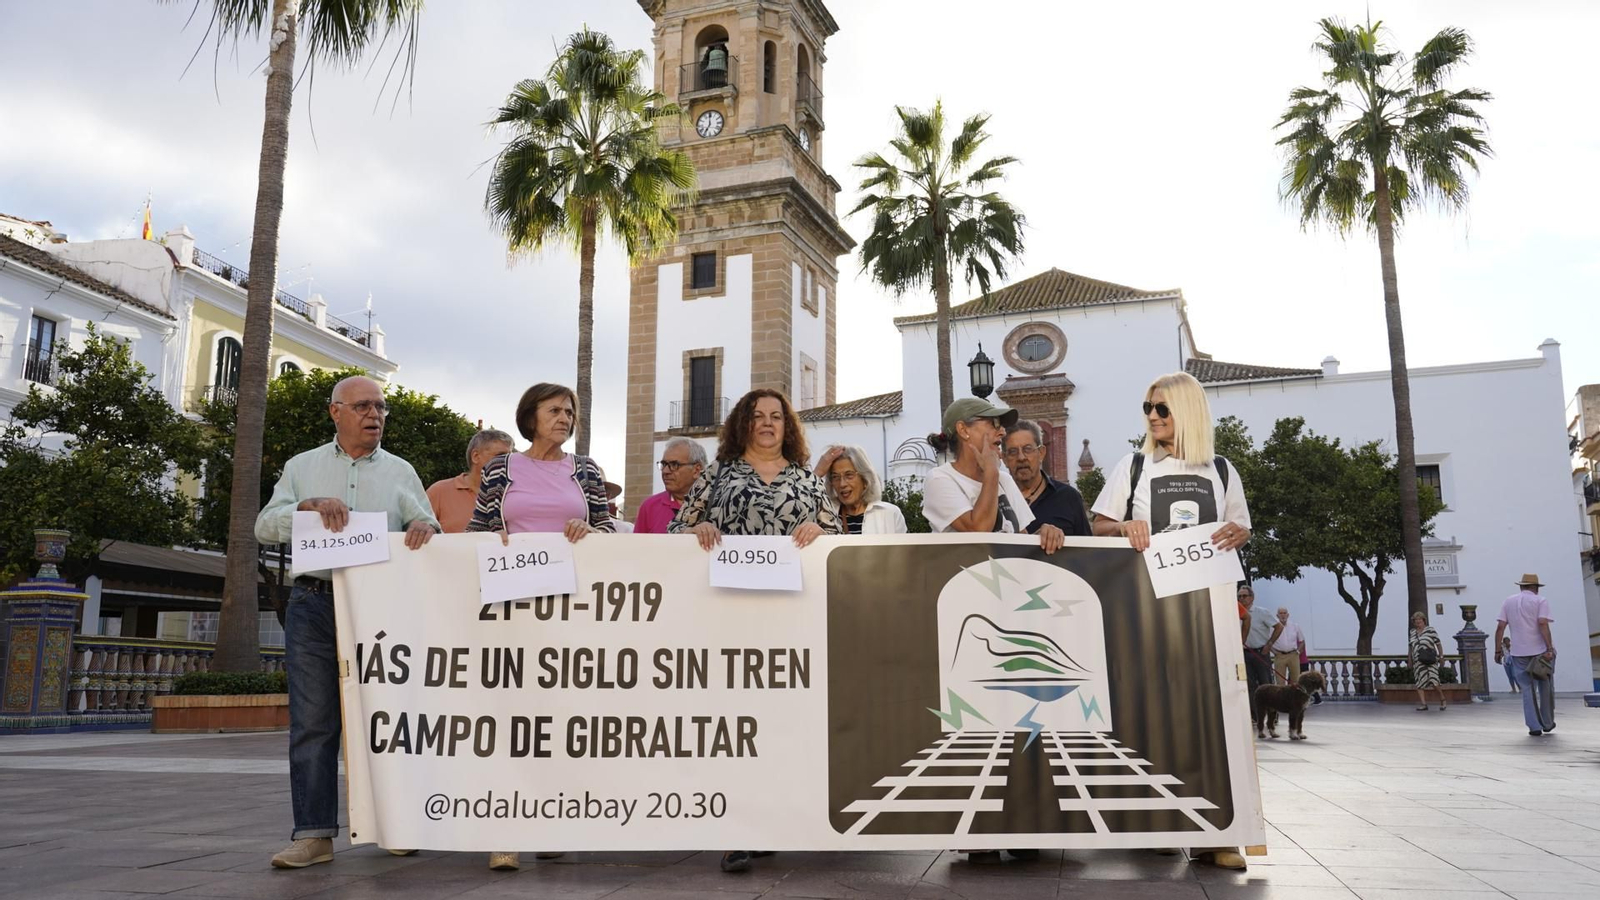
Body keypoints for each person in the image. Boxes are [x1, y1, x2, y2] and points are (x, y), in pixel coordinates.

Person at [254, 376, 440, 869]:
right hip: (314, 604)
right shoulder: (301, 467)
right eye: (362, 406)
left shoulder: (401, 471)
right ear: (335, 413)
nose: (374, 415)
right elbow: (263, 526)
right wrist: (305, 507)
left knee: (388, 717)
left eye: (380, 407)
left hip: (381, 605)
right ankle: (313, 836)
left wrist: (426, 527)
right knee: (314, 722)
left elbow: (429, 526)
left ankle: (396, 825)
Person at [669, 388, 841, 874]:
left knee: (783, 722)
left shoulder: (806, 482)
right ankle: (737, 828)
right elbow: (674, 531)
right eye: (758, 416)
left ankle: (777, 820)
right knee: (735, 724)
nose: (767, 424)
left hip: (790, 620)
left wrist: (820, 533)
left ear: (788, 427)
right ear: (742, 424)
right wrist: (695, 532)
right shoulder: (717, 476)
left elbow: (840, 540)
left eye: (776, 417)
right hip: (729, 618)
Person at [1088, 371, 1251, 872]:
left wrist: (1236, 534)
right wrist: (1125, 527)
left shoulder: (1222, 470)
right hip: (1144, 612)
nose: (1153, 417)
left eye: (1162, 408)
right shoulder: (1133, 467)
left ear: (1188, 410)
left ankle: (1217, 834)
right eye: (1148, 408)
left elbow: (1241, 526)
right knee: (1151, 715)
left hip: (1207, 612)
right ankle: (1160, 820)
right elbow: (1098, 526)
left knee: (1212, 719)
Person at [467, 383, 614, 869]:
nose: (565, 417)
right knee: (511, 718)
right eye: (555, 410)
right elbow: (477, 532)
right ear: (530, 417)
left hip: (570, 611)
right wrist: (494, 536)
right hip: (512, 608)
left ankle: (550, 821)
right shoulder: (501, 468)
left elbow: (609, 531)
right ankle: (505, 831)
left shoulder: (586, 471)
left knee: (560, 718)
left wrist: (590, 531)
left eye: (570, 411)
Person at [922, 398, 1063, 866]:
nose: (1000, 434)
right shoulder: (941, 481)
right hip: (969, 617)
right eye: (991, 425)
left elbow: (1025, 531)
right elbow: (979, 530)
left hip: (1014, 613)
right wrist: (988, 474)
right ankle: (979, 828)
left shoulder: (1000, 475)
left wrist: (1050, 534)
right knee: (974, 726)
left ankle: (1022, 822)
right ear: (964, 430)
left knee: (1021, 718)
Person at [922, 398, 1066, 555]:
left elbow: (1022, 543)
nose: (1003, 431)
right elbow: (979, 532)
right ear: (963, 430)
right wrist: (991, 472)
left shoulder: (1004, 479)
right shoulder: (940, 478)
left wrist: (1045, 535)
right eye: (994, 423)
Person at [1003, 419, 1092, 537]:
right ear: (1004, 459)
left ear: (1041, 453)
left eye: (1027, 449)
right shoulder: (996, 499)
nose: (1021, 457)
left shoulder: (1068, 497)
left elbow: (1086, 549)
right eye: (1013, 452)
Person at [1494, 574, 1557, 736]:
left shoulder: (1508, 601)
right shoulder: (1540, 601)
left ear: (1521, 586)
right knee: (1545, 686)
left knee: (1527, 690)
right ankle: (1547, 722)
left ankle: (1533, 726)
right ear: (1535, 588)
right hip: (1540, 652)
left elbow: (1500, 627)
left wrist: (1497, 650)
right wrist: (1549, 647)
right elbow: (1542, 623)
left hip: (1518, 653)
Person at [426, 429, 514, 534]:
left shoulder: (515, 494)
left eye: (510, 457)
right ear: (476, 456)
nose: (507, 461)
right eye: (501, 456)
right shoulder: (439, 491)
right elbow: (418, 534)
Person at [814, 444, 908, 533]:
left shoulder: (889, 514)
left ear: (865, 479)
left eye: (849, 475)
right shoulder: (823, 517)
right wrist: (816, 474)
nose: (842, 484)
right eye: (836, 477)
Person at [636, 438, 707, 534]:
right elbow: (637, 547)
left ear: (697, 470)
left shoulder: (718, 505)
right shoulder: (650, 506)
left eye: (674, 465)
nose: (665, 471)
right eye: (664, 464)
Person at [1238, 586, 1281, 735]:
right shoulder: (1234, 612)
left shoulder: (1261, 612)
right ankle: (1256, 716)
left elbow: (1278, 627)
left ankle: (1273, 716)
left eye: (1244, 596)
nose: (1242, 599)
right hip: (1244, 653)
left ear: (1251, 597)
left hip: (1260, 652)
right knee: (1249, 686)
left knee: (1266, 685)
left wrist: (1269, 644)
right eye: (1239, 596)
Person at [1408, 612, 1447, 711]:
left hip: (1430, 660)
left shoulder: (1430, 630)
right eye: (1416, 620)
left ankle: (1442, 698)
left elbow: (1438, 644)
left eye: (1420, 619)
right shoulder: (1412, 632)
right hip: (1418, 661)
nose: (1418, 621)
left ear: (1423, 620)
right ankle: (1423, 704)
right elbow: (1410, 647)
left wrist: (1441, 656)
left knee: (1434, 681)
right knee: (1419, 683)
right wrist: (1409, 660)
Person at [1270, 607, 1305, 685]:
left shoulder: (1295, 626)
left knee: (1296, 680)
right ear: (1277, 615)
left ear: (1288, 615)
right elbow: (1268, 642)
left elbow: (1302, 641)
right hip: (1279, 656)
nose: (1283, 615)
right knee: (1280, 681)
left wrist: (1298, 652)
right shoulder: (1272, 627)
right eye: (1281, 613)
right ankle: (1282, 697)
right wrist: (1274, 652)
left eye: (1284, 613)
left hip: (1293, 655)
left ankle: (1294, 697)